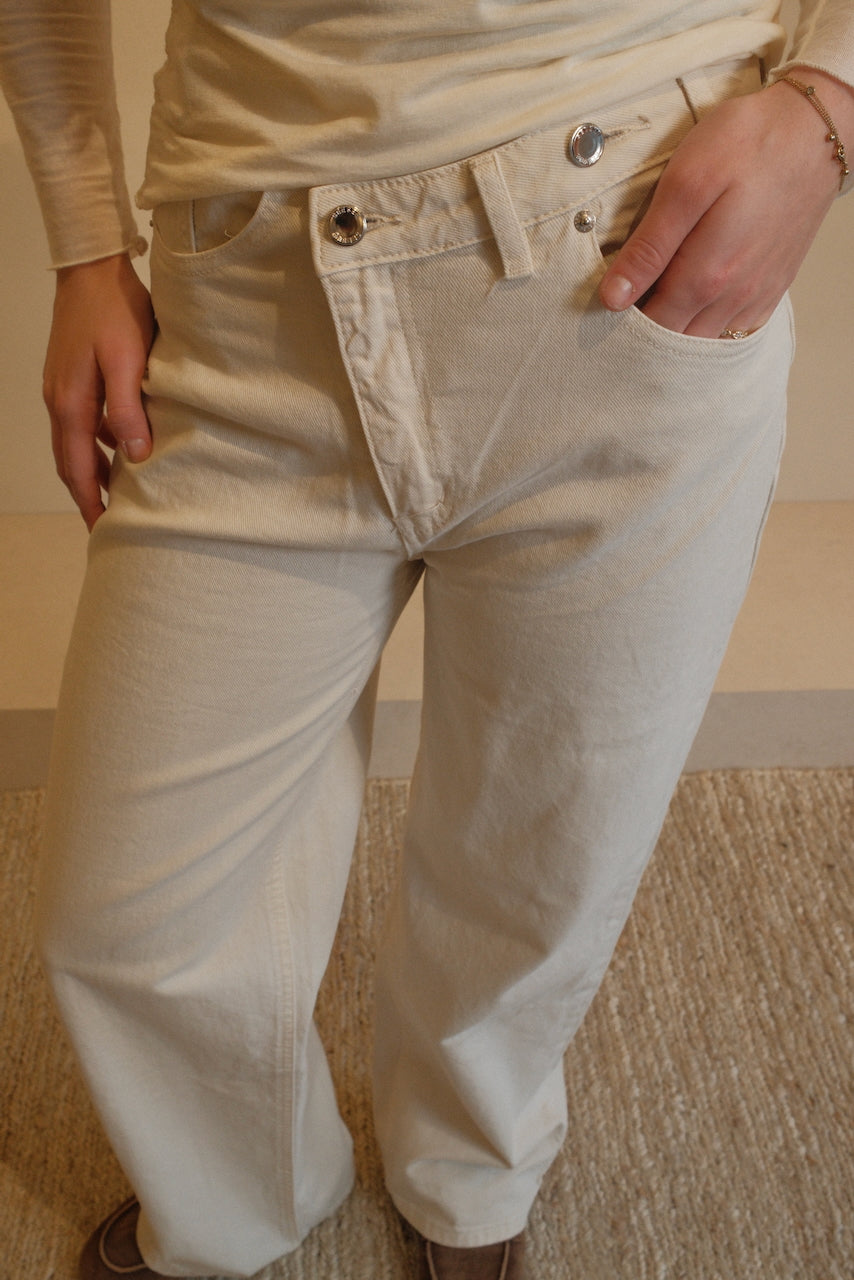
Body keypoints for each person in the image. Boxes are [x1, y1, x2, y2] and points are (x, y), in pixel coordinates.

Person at [1, 2, 852, 1277]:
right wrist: (82, 247)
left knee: (545, 845)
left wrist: (825, 107)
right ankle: (239, 1189)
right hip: (245, 296)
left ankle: (467, 1167)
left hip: (618, 249)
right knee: (127, 915)